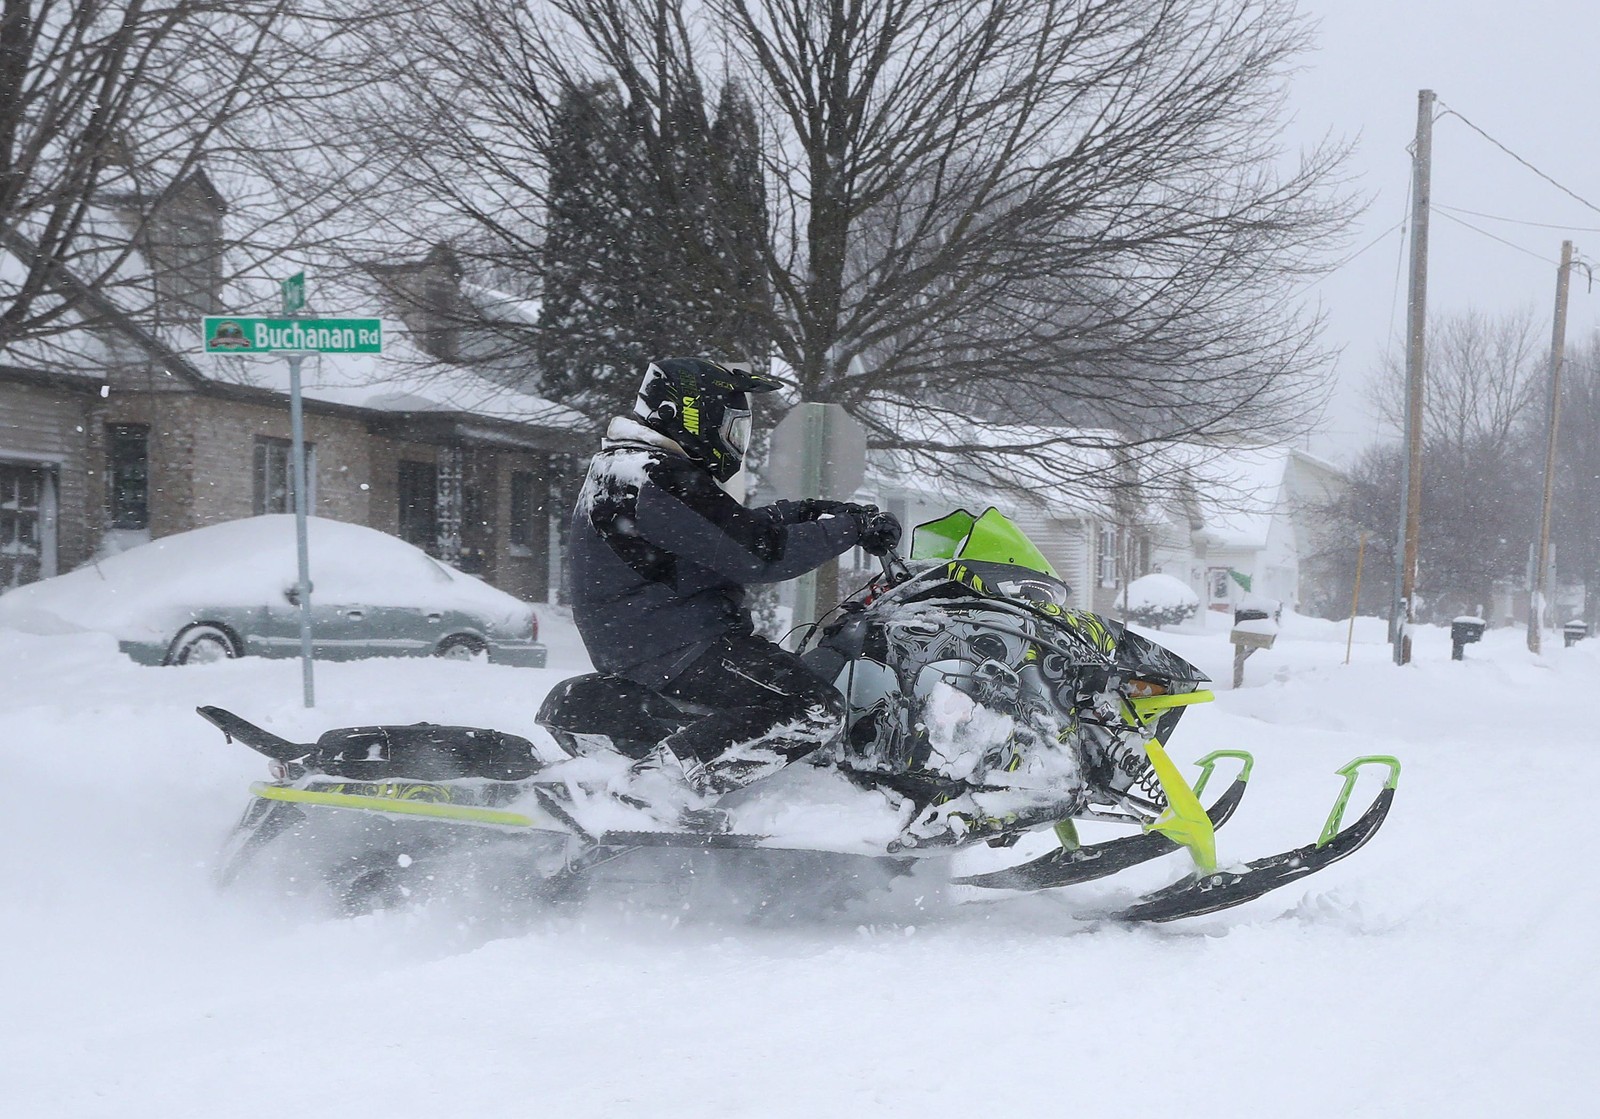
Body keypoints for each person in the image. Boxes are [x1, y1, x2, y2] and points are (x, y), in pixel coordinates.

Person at [568, 357, 901, 812]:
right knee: (813, 708)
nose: (735, 444)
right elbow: (759, 553)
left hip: (651, 638)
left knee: (788, 698)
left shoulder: (633, 468)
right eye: (730, 428)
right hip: (672, 644)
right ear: (691, 414)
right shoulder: (656, 476)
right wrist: (851, 531)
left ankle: (737, 804)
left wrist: (799, 513)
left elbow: (721, 535)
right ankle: (656, 788)